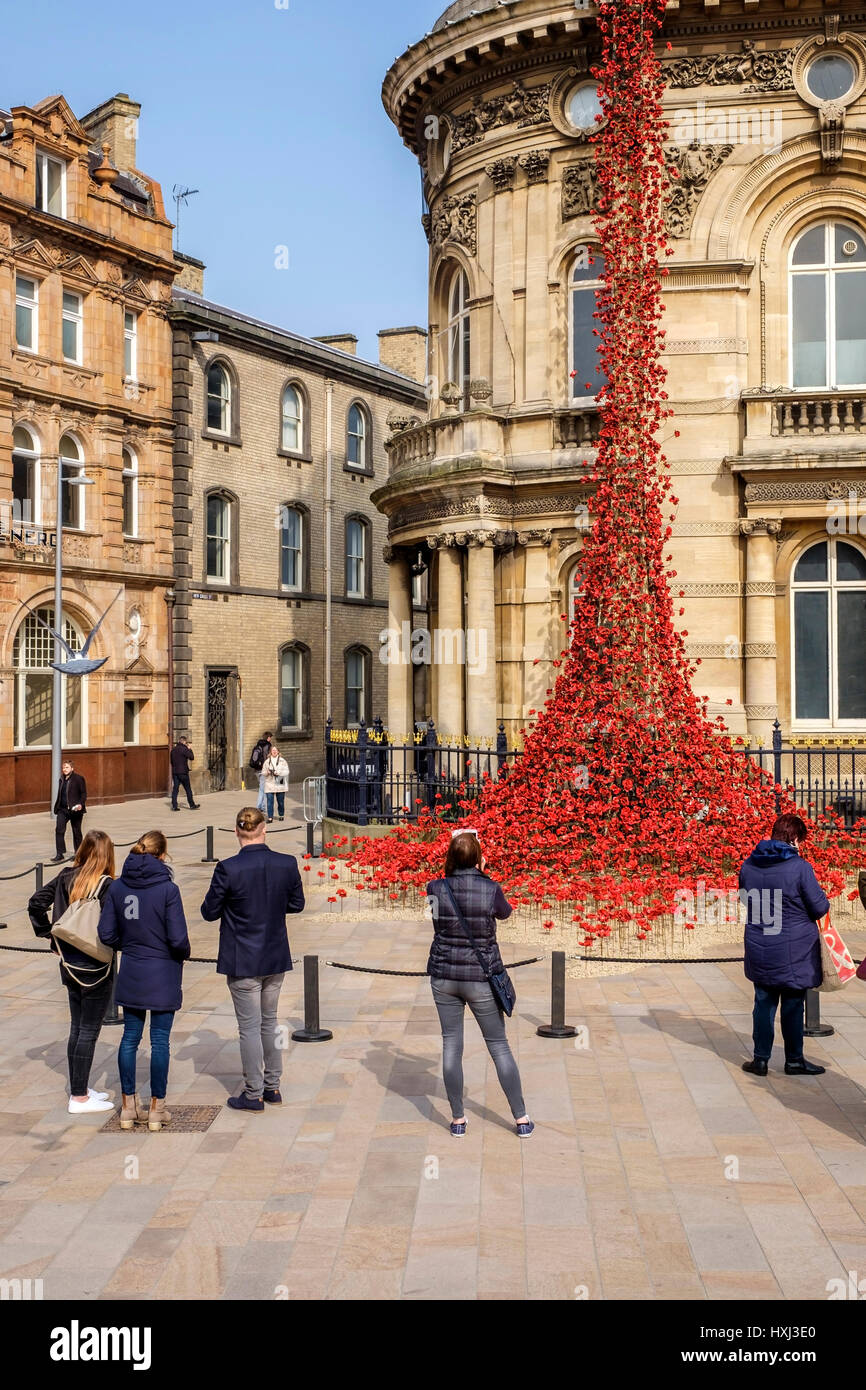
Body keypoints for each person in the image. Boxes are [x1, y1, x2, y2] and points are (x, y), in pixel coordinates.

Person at [427, 832, 533, 1138]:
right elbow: (506, 913)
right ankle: (521, 1118)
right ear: (477, 857)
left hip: (444, 975)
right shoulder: (490, 888)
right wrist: (483, 875)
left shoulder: (435, 887)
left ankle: (458, 1119)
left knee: (451, 1044)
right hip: (480, 977)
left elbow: (436, 921)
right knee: (498, 1046)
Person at [200, 807, 305, 1112]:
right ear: (264, 829)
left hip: (243, 957)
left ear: (236, 831)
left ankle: (253, 1092)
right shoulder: (285, 863)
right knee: (269, 1023)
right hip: (273, 954)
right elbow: (297, 904)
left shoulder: (228, 869)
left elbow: (208, 912)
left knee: (249, 1027)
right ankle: (272, 1086)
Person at [98, 830, 191, 1131]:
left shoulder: (118, 887)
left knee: (129, 1038)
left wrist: (131, 945)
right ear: (162, 856)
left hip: (133, 969)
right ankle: (156, 1108)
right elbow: (178, 939)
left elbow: (107, 934)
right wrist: (181, 952)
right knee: (159, 1040)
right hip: (162, 970)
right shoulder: (168, 890)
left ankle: (128, 1107)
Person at [28, 829, 117, 1115]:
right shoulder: (108, 885)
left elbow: (35, 903)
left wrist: (50, 936)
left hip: (68, 963)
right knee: (89, 1029)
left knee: (77, 1026)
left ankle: (80, 1087)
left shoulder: (66, 875)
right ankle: (78, 1096)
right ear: (106, 855)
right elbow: (112, 929)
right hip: (97, 966)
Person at [739, 812, 830, 1078]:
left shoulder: (748, 865)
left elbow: (746, 900)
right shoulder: (800, 867)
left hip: (759, 944)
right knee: (792, 1005)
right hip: (794, 949)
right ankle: (794, 1060)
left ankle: (760, 1060)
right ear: (794, 839)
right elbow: (819, 907)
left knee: (763, 1004)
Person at [51, 759, 87, 863]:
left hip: (75, 810)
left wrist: (80, 804)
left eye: (67, 767)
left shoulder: (79, 779)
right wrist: (57, 807)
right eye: (63, 767)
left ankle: (78, 854)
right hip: (62, 809)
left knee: (76, 832)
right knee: (59, 829)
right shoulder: (61, 779)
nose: (64, 769)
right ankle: (60, 853)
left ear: (72, 768)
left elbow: (83, 793)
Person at [170, 736, 200, 812]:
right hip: (183, 773)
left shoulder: (173, 750)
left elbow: (171, 762)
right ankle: (192, 805)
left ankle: (174, 806)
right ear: (184, 742)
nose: (186, 744)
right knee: (188, 789)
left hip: (175, 772)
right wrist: (190, 749)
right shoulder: (184, 749)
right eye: (186, 742)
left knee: (175, 789)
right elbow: (192, 757)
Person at [262, 744, 289, 823]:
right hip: (269, 782)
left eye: (275, 750)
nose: (274, 752)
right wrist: (266, 772)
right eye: (273, 750)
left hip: (279, 781)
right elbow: (263, 772)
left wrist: (279, 773)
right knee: (270, 801)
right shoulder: (267, 761)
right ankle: (270, 817)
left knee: (280, 801)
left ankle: (281, 814)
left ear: (278, 752)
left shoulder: (282, 761)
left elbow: (287, 771)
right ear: (270, 752)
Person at [250, 732, 273, 813]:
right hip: (264, 770)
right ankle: (260, 806)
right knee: (263, 789)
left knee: (262, 788)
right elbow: (268, 758)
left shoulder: (257, 746)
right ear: (268, 738)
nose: (271, 739)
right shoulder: (268, 746)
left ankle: (262, 806)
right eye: (270, 737)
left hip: (257, 770)